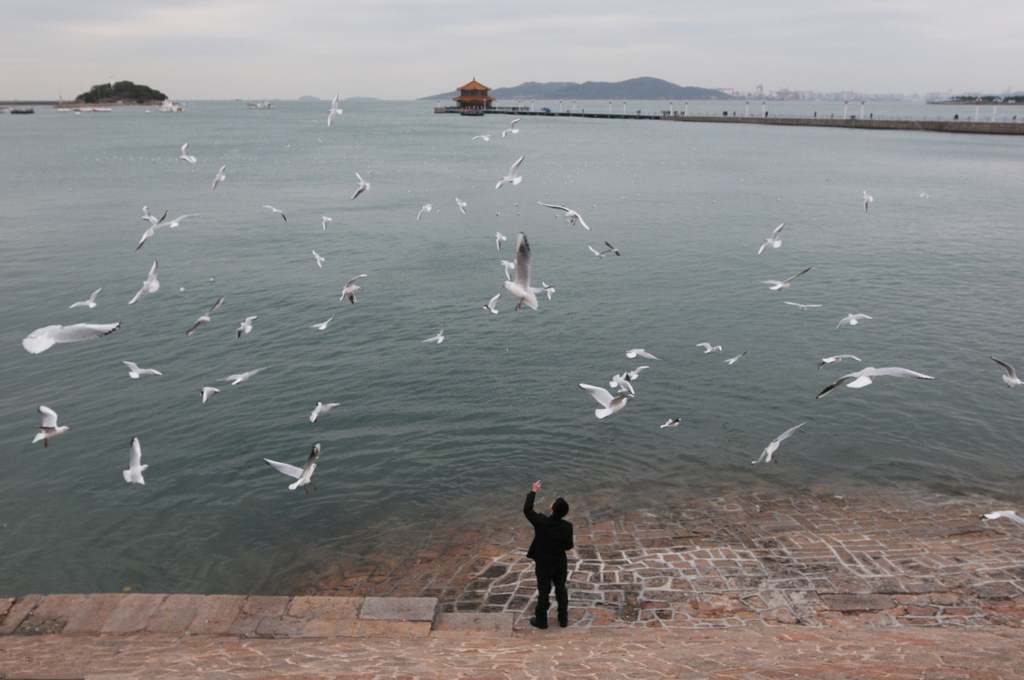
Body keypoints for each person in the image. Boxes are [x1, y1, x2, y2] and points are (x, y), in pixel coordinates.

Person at [523, 480, 573, 629]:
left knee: (543, 592)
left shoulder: (541, 522)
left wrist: (534, 491)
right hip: (559, 563)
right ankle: (563, 620)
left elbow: (527, 509)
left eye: (552, 503)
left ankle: (541, 621)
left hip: (544, 563)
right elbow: (569, 546)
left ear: (552, 510)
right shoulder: (567, 526)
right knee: (560, 589)